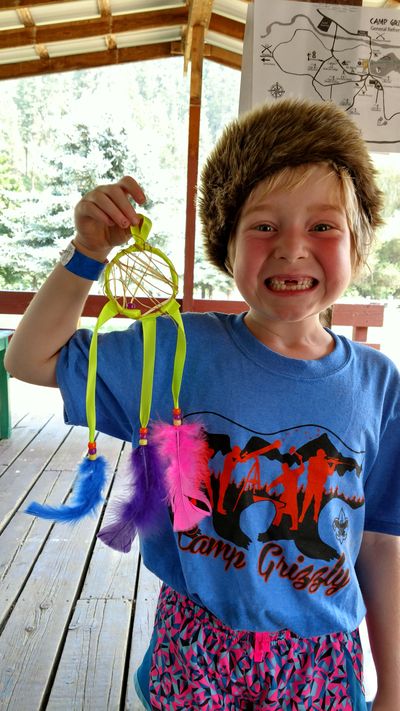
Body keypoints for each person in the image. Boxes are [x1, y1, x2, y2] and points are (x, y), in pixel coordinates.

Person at [5, 98, 400, 711]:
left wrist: (394, 690)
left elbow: (379, 542)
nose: (292, 249)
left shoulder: (378, 383)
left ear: (357, 243)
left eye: (323, 226)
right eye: (264, 225)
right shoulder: (176, 351)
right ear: (228, 243)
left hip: (322, 657)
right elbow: (29, 358)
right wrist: (87, 254)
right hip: (194, 644)